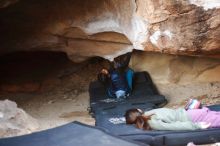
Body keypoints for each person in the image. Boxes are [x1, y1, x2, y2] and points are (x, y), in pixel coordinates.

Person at [125, 107, 220, 131]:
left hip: (192, 117)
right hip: (192, 114)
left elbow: (174, 126)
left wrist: (197, 125)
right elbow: (174, 124)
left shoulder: (151, 122)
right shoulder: (150, 114)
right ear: (139, 110)